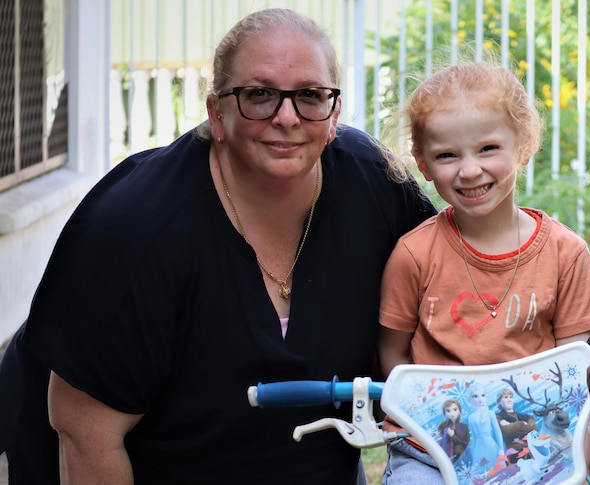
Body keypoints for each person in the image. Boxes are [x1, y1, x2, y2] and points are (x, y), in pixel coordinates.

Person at [0, 8, 435, 484]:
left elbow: (451, 277)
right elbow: (86, 433)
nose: (286, 117)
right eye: (259, 95)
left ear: (333, 114)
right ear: (217, 113)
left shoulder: (373, 185)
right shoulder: (136, 228)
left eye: (310, 95)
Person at [377, 61, 590, 484]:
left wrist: (573, 464)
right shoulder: (413, 255)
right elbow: (393, 356)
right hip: (430, 447)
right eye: (447, 155)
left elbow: (576, 383)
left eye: (487, 148)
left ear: (523, 143)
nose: (469, 170)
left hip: (531, 447)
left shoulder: (565, 253)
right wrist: (417, 422)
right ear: (423, 163)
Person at [495, 388, 537, 463]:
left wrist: (515, 426)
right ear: (499, 402)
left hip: (532, 450)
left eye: (511, 397)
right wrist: (522, 424)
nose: (509, 400)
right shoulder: (498, 417)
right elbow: (507, 431)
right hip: (514, 454)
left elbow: (534, 428)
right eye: (506, 397)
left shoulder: (525, 416)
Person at [436, 400, 470, 464]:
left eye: (455, 409)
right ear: (445, 413)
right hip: (449, 457)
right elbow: (444, 443)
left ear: (459, 411)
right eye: (448, 411)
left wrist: (453, 436)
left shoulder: (463, 427)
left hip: (462, 455)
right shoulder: (446, 428)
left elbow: (466, 443)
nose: (452, 413)